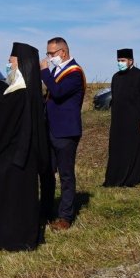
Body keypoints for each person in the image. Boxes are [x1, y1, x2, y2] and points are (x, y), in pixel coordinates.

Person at [0, 43, 50, 251]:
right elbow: (7, 96)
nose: (9, 65)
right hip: (24, 156)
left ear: (22, 64)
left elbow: (3, 115)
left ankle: (6, 239)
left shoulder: (20, 94)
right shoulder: (28, 91)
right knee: (22, 199)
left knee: (10, 199)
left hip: (11, 156)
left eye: (11, 62)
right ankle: (22, 236)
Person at [40, 37, 85, 229]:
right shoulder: (57, 70)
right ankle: (45, 210)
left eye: (51, 53)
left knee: (66, 175)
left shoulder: (74, 72)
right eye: (48, 53)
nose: (49, 57)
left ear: (63, 52)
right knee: (47, 173)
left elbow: (58, 92)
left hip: (66, 131)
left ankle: (65, 216)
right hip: (51, 128)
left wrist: (44, 71)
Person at [103, 48, 140, 187]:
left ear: (131, 61)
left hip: (135, 120)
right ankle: (114, 179)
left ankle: (132, 179)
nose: (120, 63)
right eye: (118, 60)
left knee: (133, 149)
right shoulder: (116, 77)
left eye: (123, 60)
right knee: (117, 149)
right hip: (118, 121)